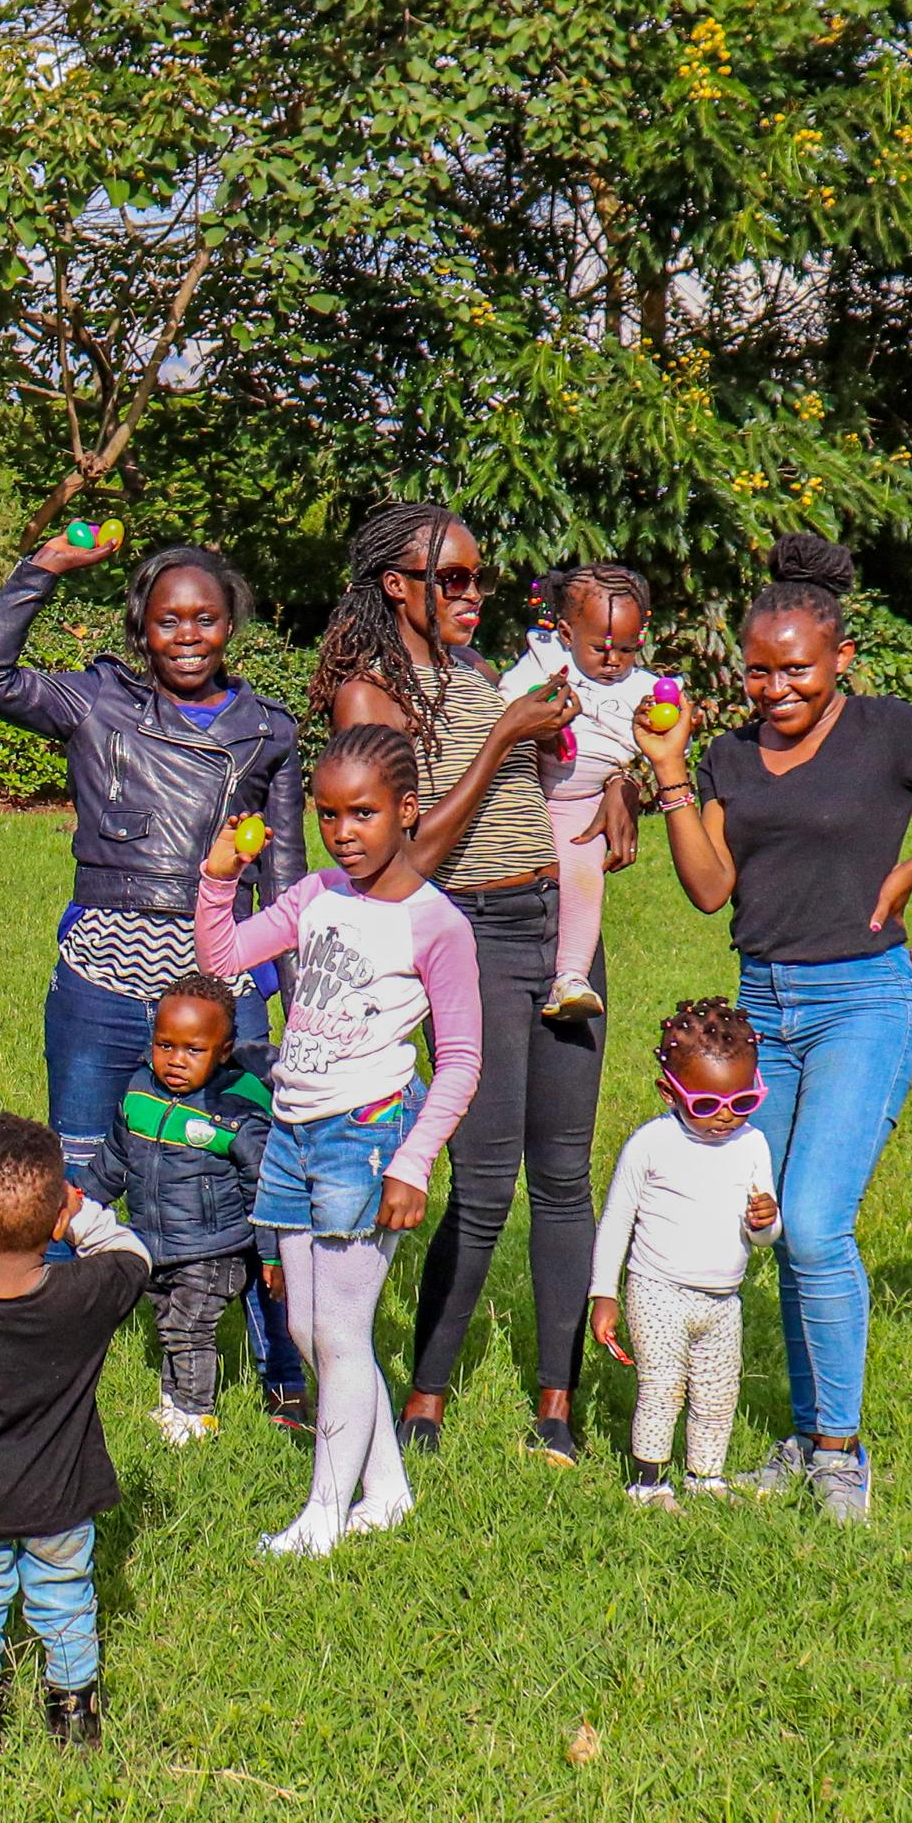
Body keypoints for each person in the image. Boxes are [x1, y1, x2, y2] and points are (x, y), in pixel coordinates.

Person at [640, 532, 912, 1521]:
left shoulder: (889, 731)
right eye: (757, 671)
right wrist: (672, 771)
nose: (774, 688)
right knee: (763, 1221)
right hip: (759, 1012)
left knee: (815, 1222)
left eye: (795, 671)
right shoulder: (729, 753)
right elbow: (705, 888)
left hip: (861, 1001)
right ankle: (809, 1433)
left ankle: (840, 1454)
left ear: (840, 659)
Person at [313, 503, 590, 1462]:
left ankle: (558, 1404)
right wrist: (507, 734)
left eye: (480, 579)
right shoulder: (372, 693)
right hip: (476, 933)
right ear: (399, 584)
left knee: (563, 1174)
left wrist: (614, 783)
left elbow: (550, 782)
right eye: (453, 580)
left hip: (560, 928)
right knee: (482, 1177)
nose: (474, 596)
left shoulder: (477, 674)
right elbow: (407, 855)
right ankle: (426, 1399)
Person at [195, 725, 483, 1559]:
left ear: (407, 812)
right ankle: (386, 1490)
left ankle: (323, 1513)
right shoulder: (316, 895)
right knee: (309, 1322)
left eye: (363, 813)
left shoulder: (437, 925)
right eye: (328, 815)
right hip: (293, 1130)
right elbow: (224, 960)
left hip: (367, 1137)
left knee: (340, 1332)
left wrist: (412, 1161)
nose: (344, 831)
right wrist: (221, 881)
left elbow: (461, 1061)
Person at [0, 534, 305, 1202]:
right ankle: (70, 1307)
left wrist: (301, 1009)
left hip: (222, 985)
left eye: (205, 619)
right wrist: (45, 567)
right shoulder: (97, 702)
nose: (188, 636)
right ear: (142, 629)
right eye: (168, 620)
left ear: (230, 624)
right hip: (104, 979)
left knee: (249, 1179)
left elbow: (285, 877)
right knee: (78, 1182)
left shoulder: (268, 730)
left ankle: (234, 1305)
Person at [0, 1113, 150, 1755]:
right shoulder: (85, 1294)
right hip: (60, 1500)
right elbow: (134, 1257)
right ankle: (72, 1713)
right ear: (55, 1225)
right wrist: (82, 1212)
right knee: (65, 1597)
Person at [587, 998, 781, 1509]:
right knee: (662, 1389)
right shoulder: (651, 1145)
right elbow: (615, 1223)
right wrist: (603, 1294)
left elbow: (763, 1236)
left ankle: (704, 1477)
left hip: (723, 1299)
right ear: (669, 1093)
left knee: (717, 1397)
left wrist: (767, 1224)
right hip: (658, 1291)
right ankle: (648, 1484)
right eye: (705, 1105)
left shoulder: (753, 1144)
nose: (724, 1118)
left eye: (742, 1103)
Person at [109, 976, 275, 1446]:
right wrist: (85, 1197)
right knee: (169, 1325)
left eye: (193, 1050)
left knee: (189, 1329)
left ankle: (196, 1414)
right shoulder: (140, 1091)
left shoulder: (236, 1109)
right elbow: (115, 1156)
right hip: (154, 1242)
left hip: (215, 1248)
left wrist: (271, 1255)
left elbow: (261, 1188)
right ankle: (172, 1401)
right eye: (165, 1045)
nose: (176, 1060)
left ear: (223, 1051)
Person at [501, 563, 670, 1020]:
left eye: (628, 650)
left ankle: (571, 976)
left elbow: (664, 749)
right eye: (599, 648)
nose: (613, 661)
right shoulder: (541, 663)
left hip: (585, 806)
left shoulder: (643, 688)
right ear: (565, 632)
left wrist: (660, 723)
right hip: (530, 790)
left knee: (581, 877)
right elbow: (507, 705)